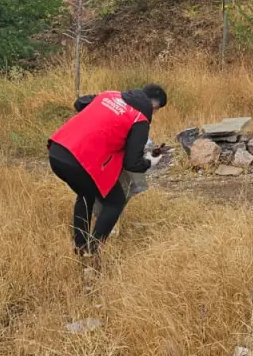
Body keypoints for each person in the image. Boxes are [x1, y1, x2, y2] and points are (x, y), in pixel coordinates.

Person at [47, 83, 167, 258]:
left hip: (57, 151)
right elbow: (132, 163)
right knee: (115, 201)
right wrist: (150, 162)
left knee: (85, 193)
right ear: (154, 105)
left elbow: (79, 103)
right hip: (80, 160)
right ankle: (93, 251)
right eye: (156, 110)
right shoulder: (139, 119)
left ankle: (81, 249)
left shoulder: (109, 95)